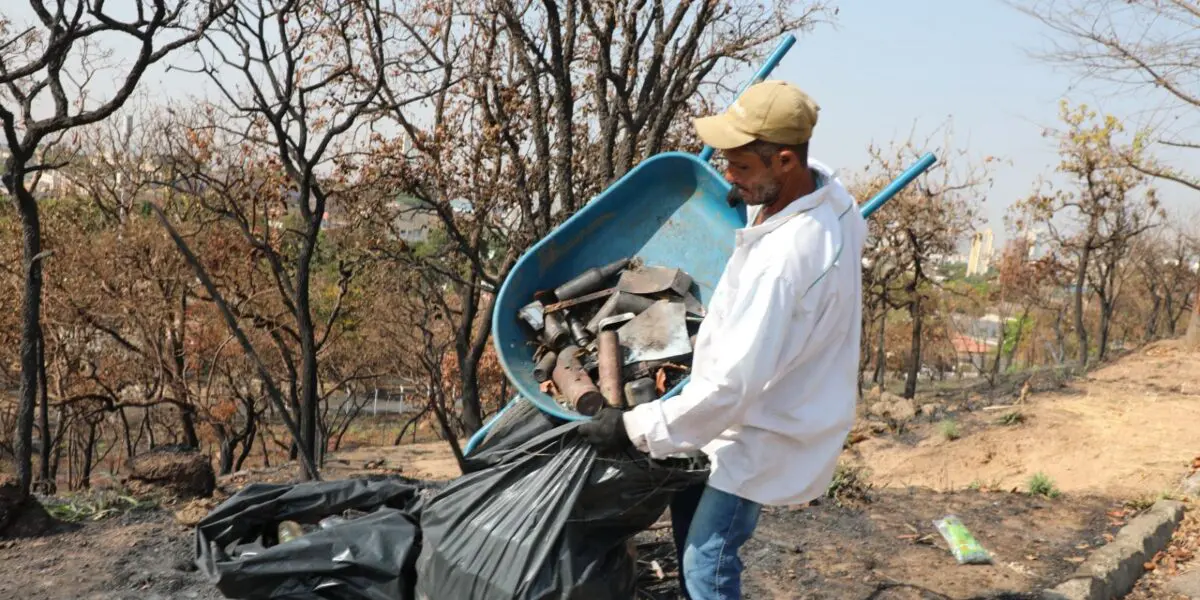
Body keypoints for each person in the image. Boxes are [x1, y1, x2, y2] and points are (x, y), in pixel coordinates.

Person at [577, 80, 869, 600]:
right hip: (756, 407)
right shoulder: (831, 195)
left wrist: (631, 428)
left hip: (760, 428)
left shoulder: (785, 262)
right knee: (692, 525)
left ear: (783, 161)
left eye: (740, 167)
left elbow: (729, 388)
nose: (728, 179)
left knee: (706, 562)